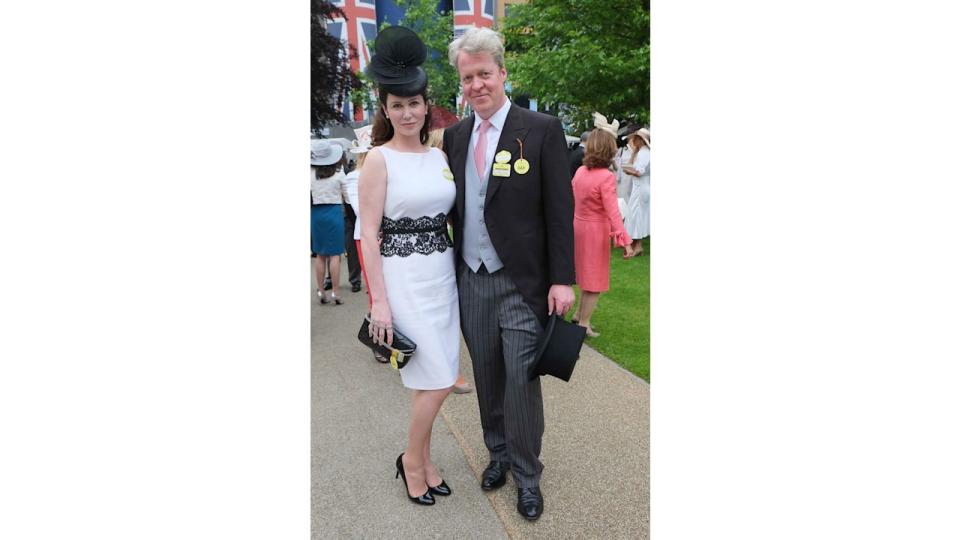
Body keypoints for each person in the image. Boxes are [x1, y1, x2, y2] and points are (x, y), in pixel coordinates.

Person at [444, 26, 575, 521]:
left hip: (522, 282)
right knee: (488, 375)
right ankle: (496, 454)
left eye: (484, 74)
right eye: (468, 77)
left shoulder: (539, 128)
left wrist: (562, 278)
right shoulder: (456, 136)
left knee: (521, 380)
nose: (476, 84)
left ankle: (526, 474)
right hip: (472, 279)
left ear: (502, 73)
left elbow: (560, 210)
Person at [358, 26, 459, 506]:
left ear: (426, 105)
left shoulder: (439, 156)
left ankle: (426, 459)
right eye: (396, 105)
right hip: (404, 283)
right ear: (385, 110)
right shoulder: (378, 160)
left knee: (435, 377)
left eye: (414, 103)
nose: (406, 112)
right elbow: (368, 236)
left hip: (443, 278)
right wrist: (380, 302)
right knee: (436, 380)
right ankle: (412, 461)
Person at [569, 115, 635, 338]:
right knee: (594, 281)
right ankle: (584, 324)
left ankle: (579, 315)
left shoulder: (580, 171)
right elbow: (613, 212)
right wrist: (626, 241)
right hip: (595, 231)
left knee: (584, 276)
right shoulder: (605, 177)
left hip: (577, 226)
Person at [426, 127, 474, 395]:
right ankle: (439, 369)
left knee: (447, 310)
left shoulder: (445, 164)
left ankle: (451, 368)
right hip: (418, 253)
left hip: (445, 247)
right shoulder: (430, 163)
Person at [311, 139, 349, 305]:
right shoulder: (339, 173)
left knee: (320, 255)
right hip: (334, 213)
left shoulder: (310, 173)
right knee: (335, 255)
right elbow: (347, 197)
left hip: (316, 213)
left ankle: (320, 290)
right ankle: (336, 291)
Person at [622, 128, 651, 256]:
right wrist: (634, 152)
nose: (633, 141)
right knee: (635, 215)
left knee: (637, 215)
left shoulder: (645, 153)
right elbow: (632, 165)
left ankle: (637, 246)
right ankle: (635, 244)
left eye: (635, 138)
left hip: (641, 188)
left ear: (640, 140)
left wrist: (628, 171)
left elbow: (639, 172)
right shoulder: (641, 152)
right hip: (639, 187)